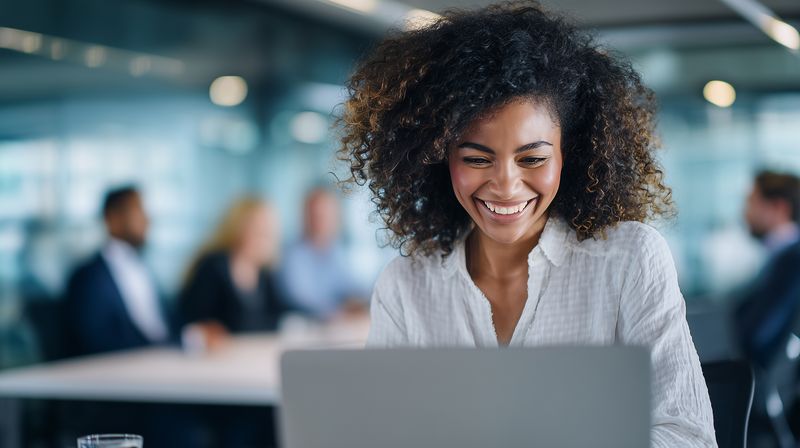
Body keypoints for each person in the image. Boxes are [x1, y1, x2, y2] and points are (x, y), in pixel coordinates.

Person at [337, 2, 716, 446]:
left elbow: (689, 436)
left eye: (532, 158)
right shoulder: (406, 286)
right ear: (440, 160)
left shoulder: (629, 259)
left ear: (567, 156)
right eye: (477, 159)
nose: (505, 185)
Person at [64, 186, 172, 356]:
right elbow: (96, 341)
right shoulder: (88, 278)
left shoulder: (144, 269)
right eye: (138, 211)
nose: (147, 219)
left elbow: (163, 326)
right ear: (112, 219)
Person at [179, 197, 291, 345]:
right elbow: (191, 324)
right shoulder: (213, 268)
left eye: (270, 232)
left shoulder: (264, 274)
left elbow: (279, 315)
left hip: (250, 356)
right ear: (239, 229)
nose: (268, 238)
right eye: (261, 230)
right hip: (214, 362)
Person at [735, 170, 800, 369]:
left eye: (752, 202)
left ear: (779, 207)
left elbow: (759, 333)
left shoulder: (791, 260)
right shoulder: (781, 257)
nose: (745, 213)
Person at [280, 188, 366, 320]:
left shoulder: (336, 252)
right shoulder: (292, 255)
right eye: (316, 214)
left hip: (335, 329)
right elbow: (301, 299)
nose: (321, 220)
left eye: (327, 214)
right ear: (305, 216)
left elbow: (352, 288)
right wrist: (339, 311)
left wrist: (358, 303)